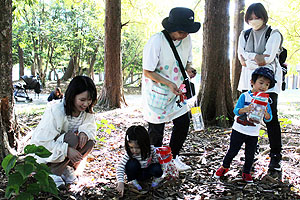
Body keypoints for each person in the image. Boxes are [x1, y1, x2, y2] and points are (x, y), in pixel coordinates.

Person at [142, 7, 201, 172]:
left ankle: (173, 157)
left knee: (183, 123)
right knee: (156, 131)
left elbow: (187, 63)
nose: (186, 35)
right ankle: (155, 163)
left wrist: (190, 70)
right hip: (157, 93)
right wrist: (168, 83)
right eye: (182, 31)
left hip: (178, 93)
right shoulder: (156, 41)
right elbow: (148, 71)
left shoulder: (187, 40)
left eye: (188, 32)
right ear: (172, 29)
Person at [237, 3, 283, 171]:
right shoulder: (245, 34)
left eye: (257, 17)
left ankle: (276, 156)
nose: (254, 20)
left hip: (268, 85)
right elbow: (241, 58)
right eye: (250, 17)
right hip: (248, 83)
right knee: (249, 118)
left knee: (270, 119)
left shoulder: (274, 33)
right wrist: (255, 57)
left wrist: (253, 59)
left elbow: (268, 59)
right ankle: (251, 151)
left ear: (264, 17)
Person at [30, 76, 97, 188]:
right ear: (72, 96)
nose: (86, 104)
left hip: (65, 151)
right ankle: (50, 172)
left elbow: (91, 128)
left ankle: (65, 168)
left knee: (90, 141)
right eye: (82, 100)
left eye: (89, 100)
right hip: (49, 152)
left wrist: (84, 131)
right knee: (72, 138)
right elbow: (42, 141)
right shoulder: (56, 110)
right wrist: (66, 150)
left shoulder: (86, 112)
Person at [215, 67, 275, 183]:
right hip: (239, 129)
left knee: (250, 154)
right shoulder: (245, 96)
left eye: (267, 85)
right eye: (261, 83)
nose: (263, 87)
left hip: (253, 132)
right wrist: (246, 109)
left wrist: (266, 113)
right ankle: (224, 166)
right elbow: (236, 111)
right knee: (233, 150)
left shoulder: (266, 101)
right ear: (252, 82)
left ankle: (246, 172)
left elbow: (269, 118)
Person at [116, 125, 163, 197]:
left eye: (138, 148)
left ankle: (155, 181)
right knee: (131, 164)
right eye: (131, 147)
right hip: (136, 173)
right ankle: (133, 181)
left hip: (147, 172)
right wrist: (120, 182)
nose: (134, 150)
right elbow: (120, 166)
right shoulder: (130, 154)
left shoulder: (151, 150)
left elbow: (156, 161)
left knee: (157, 167)